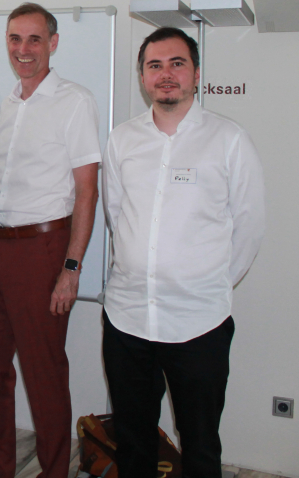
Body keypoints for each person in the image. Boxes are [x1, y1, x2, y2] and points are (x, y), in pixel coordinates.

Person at [101, 27, 265, 478]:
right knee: (133, 441)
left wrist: (205, 282)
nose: (166, 74)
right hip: (128, 319)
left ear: (196, 73)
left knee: (200, 445)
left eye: (177, 63)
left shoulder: (229, 139)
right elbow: (117, 215)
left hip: (199, 322)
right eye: (154, 65)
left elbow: (249, 227)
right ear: (142, 77)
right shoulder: (122, 140)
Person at [0, 2, 101, 478]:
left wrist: (71, 268)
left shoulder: (74, 100)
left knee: (43, 373)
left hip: (42, 249)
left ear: (53, 43)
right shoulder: (10, 101)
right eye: (14, 39)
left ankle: (54, 471)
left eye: (34, 39)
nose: (23, 50)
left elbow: (87, 191)